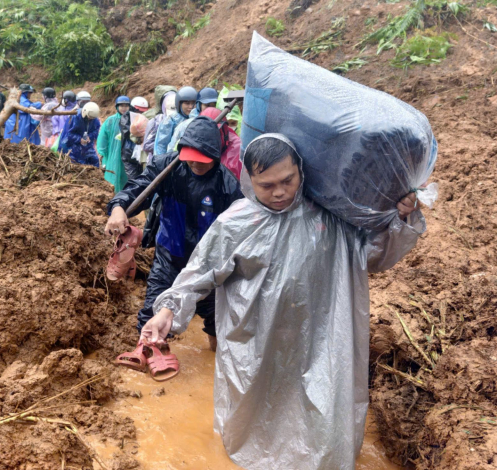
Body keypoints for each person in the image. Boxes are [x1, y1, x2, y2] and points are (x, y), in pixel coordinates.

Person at [140, 134, 425, 470]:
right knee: (255, 424)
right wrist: (167, 311)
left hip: (322, 342)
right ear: (249, 181)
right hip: (257, 347)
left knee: (323, 421)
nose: (278, 192)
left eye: (287, 181)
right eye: (266, 185)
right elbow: (198, 273)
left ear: (301, 171)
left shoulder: (333, 216)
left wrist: (402, 219)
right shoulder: (236, 223)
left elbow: (376, 256)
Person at [105, 117, 244, 350]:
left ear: (216, 156)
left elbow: (240, 230)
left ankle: (214, 364)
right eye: (191, 159)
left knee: (218, 325)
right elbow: (137, 188)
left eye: (203, 161)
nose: (196, 165)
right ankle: (148, 358)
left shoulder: (227, 184)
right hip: (169, 255)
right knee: (153, 313)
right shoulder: (167, 167)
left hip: (206, 265)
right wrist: (118, 207)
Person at [97, 96, 132, 192]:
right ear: (117, 107)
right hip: (113, 154)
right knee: (113, 173)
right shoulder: (110, 121)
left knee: (127, 175)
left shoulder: (132, 118)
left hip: (129, 153)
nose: (124, 108)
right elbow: (103, 138)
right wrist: (103, 152)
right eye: (121, 106)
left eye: (126, 105)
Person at [154, 86, 197, 156]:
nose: (190, 107)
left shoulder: (198, 117)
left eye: (193, 103)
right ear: (179, 103)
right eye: (187, 103)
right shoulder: (170, 120)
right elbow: (161, 146)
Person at [142, 86, 177, 162]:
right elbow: (146, 145)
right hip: (156, 161)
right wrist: (164, 143)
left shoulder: (182, 120)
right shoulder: (156, 121)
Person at [63, 102, 101, 167]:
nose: (90, 119)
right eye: (89, 117)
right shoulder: (75, 117)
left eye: (92, 118)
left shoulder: (94, 119)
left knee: (95, 161)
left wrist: (90, 137)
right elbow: (68, 133)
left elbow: (96, 130)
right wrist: (79, 139)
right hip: (73, 146)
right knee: (76, 165)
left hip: (87, 145)